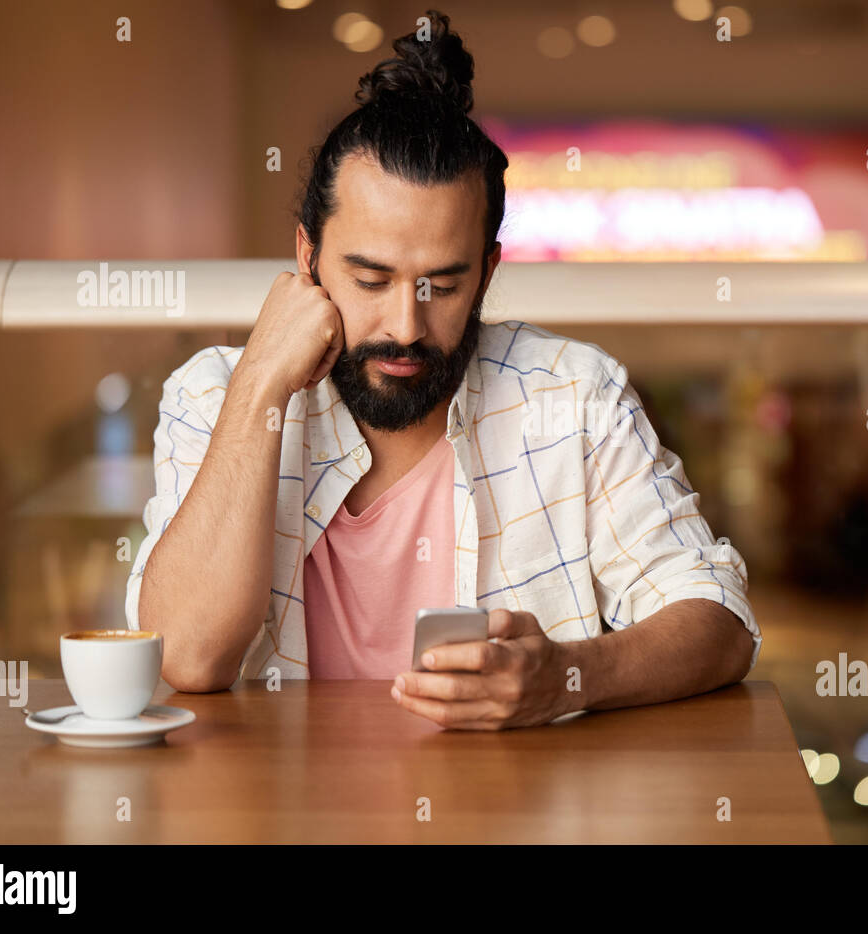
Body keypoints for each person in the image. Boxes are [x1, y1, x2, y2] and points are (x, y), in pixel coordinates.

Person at [125, 9, 759, 730]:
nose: (405, 325)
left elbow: (721, 620)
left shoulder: (574, 394)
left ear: (488, 273)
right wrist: (262, 384)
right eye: (369, 280)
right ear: (306, 258)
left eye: (443, 285)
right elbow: (186, 656)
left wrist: (571, 676)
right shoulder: (215, 395)